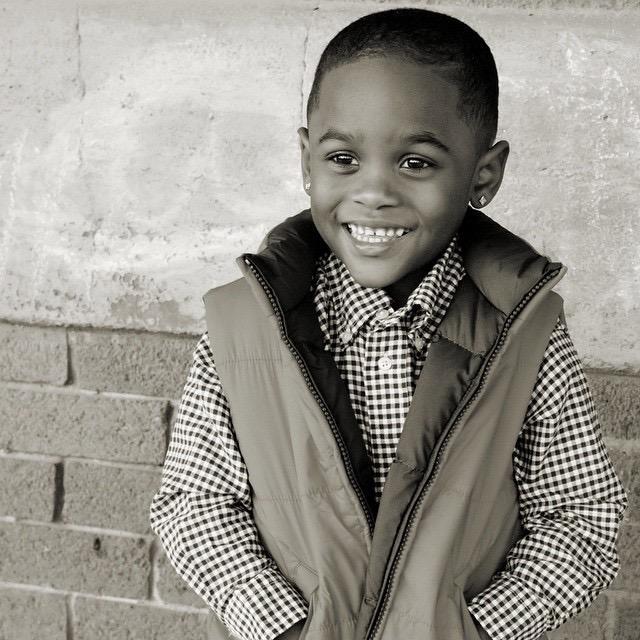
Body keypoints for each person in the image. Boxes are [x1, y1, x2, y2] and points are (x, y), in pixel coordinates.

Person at [149, 8, 627, 640]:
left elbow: (581, 514)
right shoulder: (241, 327)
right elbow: (194, 504)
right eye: (343, 157)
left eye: (416, 163)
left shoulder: (528, 333)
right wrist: (285, 627)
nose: (373, 191)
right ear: (306, 161)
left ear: (484, 174)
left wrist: (474, 629)